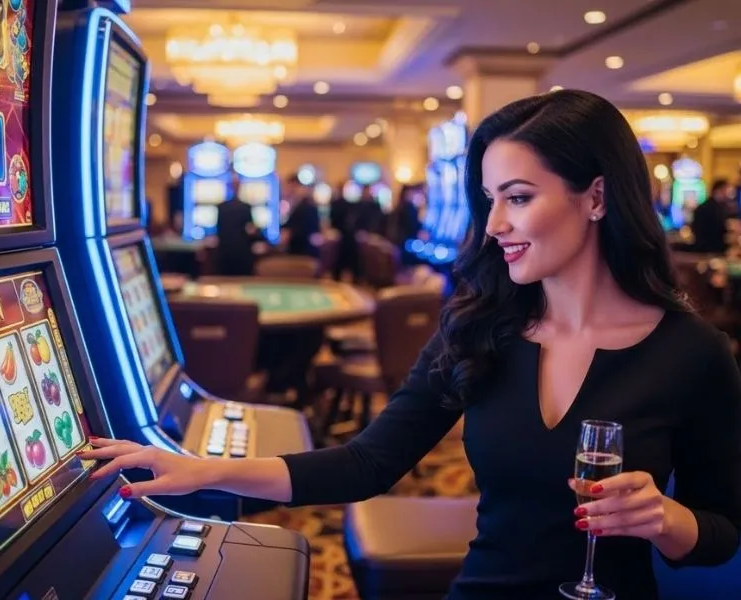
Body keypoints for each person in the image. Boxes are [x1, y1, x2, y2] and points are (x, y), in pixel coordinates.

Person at [80, 90, 741, 600]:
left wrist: (664, 520)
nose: (494, 225)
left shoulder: (694, 354)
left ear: (595, 195)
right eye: (488, 199)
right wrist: (205, 471)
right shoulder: (480, 328)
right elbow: (368, 463)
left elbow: (720, 537)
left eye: (517, 197)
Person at [215, 173, 259, 276]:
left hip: (224, 253)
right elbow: (251, 230)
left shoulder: (221, 207)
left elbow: (218, 231)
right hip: (242, 252)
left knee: (226, 283)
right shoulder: (246, 207)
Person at [690, 179, 735, 254]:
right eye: (727, 190)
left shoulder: (705, 207)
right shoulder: (715, 209)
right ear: (719, 190)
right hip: (711, 252)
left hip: (703, 250)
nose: (729, 194)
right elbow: (718, 232)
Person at [281, 174, 320, 257]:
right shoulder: (295, 203)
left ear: (296, 186)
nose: (286, 190)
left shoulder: (307, 205)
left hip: (304, 251)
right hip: (298, 248)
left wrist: (289, 234)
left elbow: (308, 228)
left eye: (288, 187)